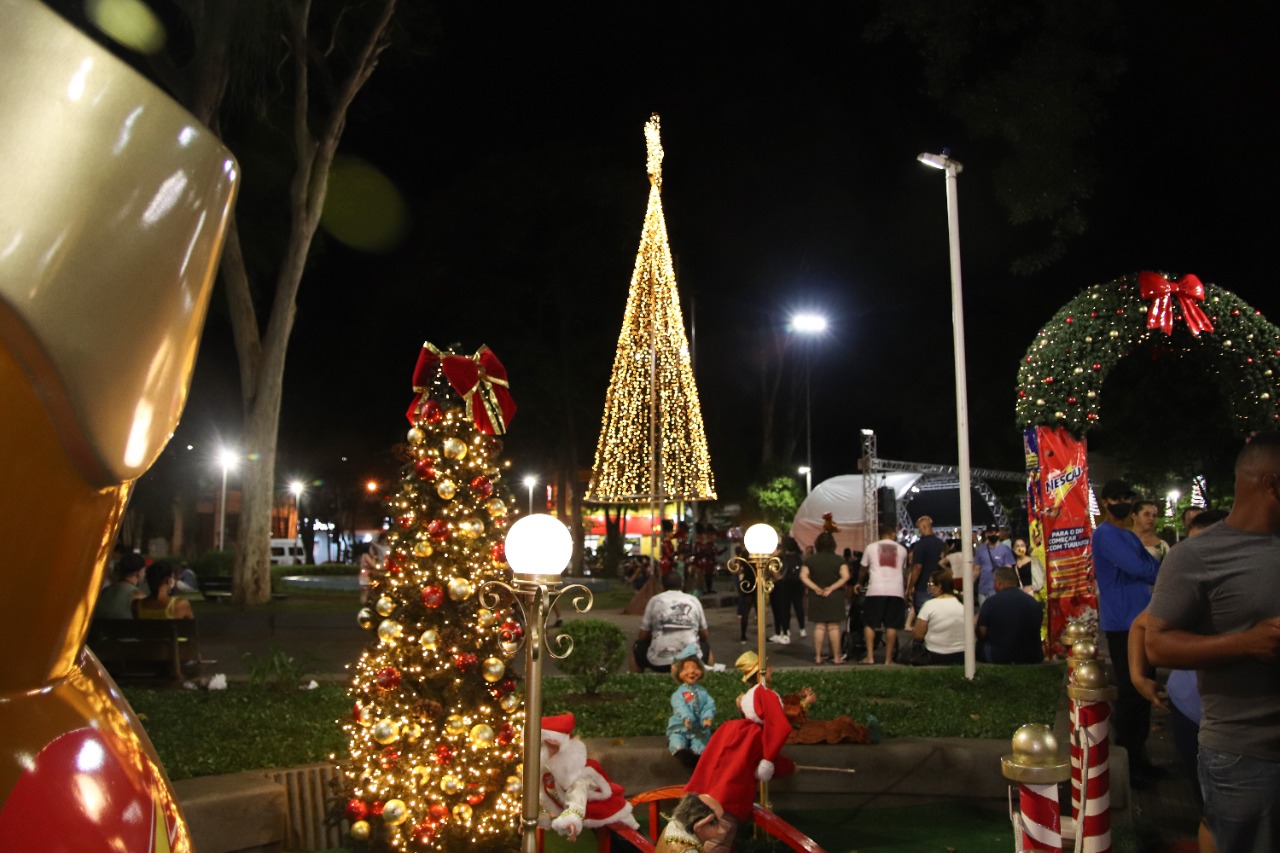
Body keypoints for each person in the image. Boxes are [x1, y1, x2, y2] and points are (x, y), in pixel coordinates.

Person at [1147, 434, 1280, 852]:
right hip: (1247, 754)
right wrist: (1246, 644)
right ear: (1272, 484)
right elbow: (1158, 645)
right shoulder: (1196, 556)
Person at [1129, 507, 1227, 852]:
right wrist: (1139, 678)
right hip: (1194, 712)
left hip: (1237, 720)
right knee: (1213, 812)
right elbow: (1142, 626)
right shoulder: (1185, 583)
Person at [682, 651, 795, 845]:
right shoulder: (756, 736)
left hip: (702, 794)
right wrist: (790, 767)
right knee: (716, 844)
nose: (772, 670)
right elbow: (769, 760)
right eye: (768, 668)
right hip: (725, 803)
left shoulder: (731, 727)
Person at [1092, 478, 1162, 784]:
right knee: (1132, 692)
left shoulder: (1127, 535)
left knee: (1145, 688)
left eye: (1126, 497)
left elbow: (1149, 565)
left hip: (1143, 620)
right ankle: (1130, 763)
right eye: (1116, 498)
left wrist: (1150, 567)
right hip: (1123, 624)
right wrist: (1153, 568)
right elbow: (1142, 568)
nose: (1122, 502)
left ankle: (1141, 759)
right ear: (1105, 503)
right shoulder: (1105, 535)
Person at [538, 713, 640, 841]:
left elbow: (577, 795)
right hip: (593, 818)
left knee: (626, 845)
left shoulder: (579, 771)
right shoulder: (549, 770)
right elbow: (545, 795)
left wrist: (572, 819)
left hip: (611, 816)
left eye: (549, 745)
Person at [635, 572, 712, 672]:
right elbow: (705, 635)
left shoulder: (654, 601)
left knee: (637, 647)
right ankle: (711, 677)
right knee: (705, 645)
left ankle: (636, 680)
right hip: (691, 661)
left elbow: (642, 636)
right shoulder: (693, 600)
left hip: (660, 663)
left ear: (662, 586)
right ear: (682, 585)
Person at [855, 524, 907, 666]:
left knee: (870, 623)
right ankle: (888, 659)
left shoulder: (871, 548)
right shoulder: (902, 550)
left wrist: (859, 583)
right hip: (896, 590)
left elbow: (863, 569)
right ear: (892, 534)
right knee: (891, 625)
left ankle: (870, 657)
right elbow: (902, 569)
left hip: (875, 590)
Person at [800, 527, 850, 664]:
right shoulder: (839, 560)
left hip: (817, 595)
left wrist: (816, 588)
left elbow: (803, 576)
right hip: (834, 596)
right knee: (834, 627)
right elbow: (845, 576)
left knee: (819, 627)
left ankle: (817, 657)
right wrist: (832, 588)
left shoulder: (810, 560)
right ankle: (837, 657)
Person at [977, 566, 1043, 664]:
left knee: (978, 646)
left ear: (999, 583)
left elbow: (982, 633)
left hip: (1000, 656)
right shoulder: (1033, 602)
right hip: (1031, 656)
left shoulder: (990, 603)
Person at [667, 643, 715, 765]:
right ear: (678, 673)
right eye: (686, 669)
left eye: (695, 668)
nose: (691, 672)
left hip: (698, 728)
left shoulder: (702, 692)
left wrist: (707, 717)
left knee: (701, 742)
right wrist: (686, 718)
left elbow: (708, 704)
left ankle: (697, 756)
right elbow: (680, 705)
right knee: (676, 739)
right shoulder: (679, 693)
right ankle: (682, 753)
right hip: (681, 726)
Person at [912, 569, 966, 665]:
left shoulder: (930, 605)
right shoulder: (962, 604)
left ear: (939, 587)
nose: (929, 587)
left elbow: (918, 635)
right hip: (962, 655)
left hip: (936, 654)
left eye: (931, 584)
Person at [906, 515, 945, 616]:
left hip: (923, 587)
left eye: (919, 529)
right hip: (938, 586)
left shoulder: (920, 545)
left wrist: (910, 587)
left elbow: (918, 567)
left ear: (923, 527)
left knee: (924, 619)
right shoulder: (941, 544)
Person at [768, 536, 805, 645]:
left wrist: (777, 575)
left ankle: (785, 632)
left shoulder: (781, 558)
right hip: (790, 585)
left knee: (783, 608)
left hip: (781, 585)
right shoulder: (797, 557)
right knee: (791, 607)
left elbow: (778, 573)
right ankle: (785, 631)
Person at [94, 552, 147, 620]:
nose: (144, 574)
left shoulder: (103, 592)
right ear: (139, 573)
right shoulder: (139, 596)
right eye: (144, 571)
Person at [972, 525, 1014, 605]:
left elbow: (1008, 571)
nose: (993, 534)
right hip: (983, 590)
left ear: (999, 533)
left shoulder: (1005, 549)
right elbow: (976, 570)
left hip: (999, 590)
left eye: (996, 532)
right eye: (991, 532)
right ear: (986, 534)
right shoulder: (981, 550)